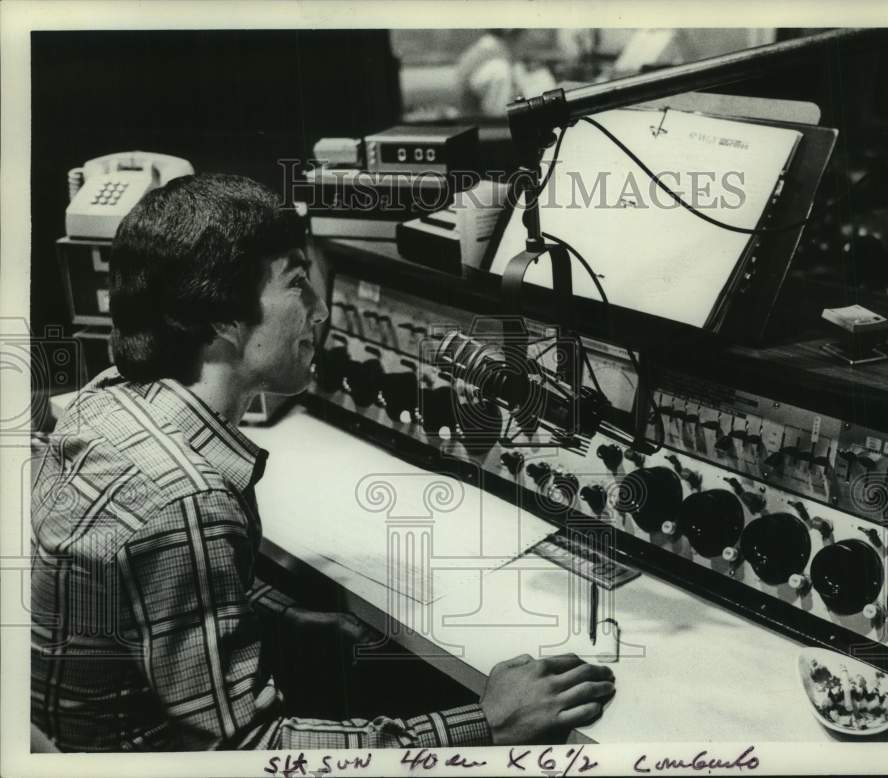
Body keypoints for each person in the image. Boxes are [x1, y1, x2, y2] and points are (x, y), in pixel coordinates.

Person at [30, 173, 615, 751]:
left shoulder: (105, 404)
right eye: (297, 284)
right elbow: (251, 752)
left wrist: (284, 621)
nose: (321, 311)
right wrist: (489, 723)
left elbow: (155, 605)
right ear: (221, 320)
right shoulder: (187, 499)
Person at [454, 29, 557, 116]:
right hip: (484, 128)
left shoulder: (492, 50)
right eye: (523, 35)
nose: (527, 40)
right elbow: (498, 115)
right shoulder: (497, 66)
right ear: (513, 35)